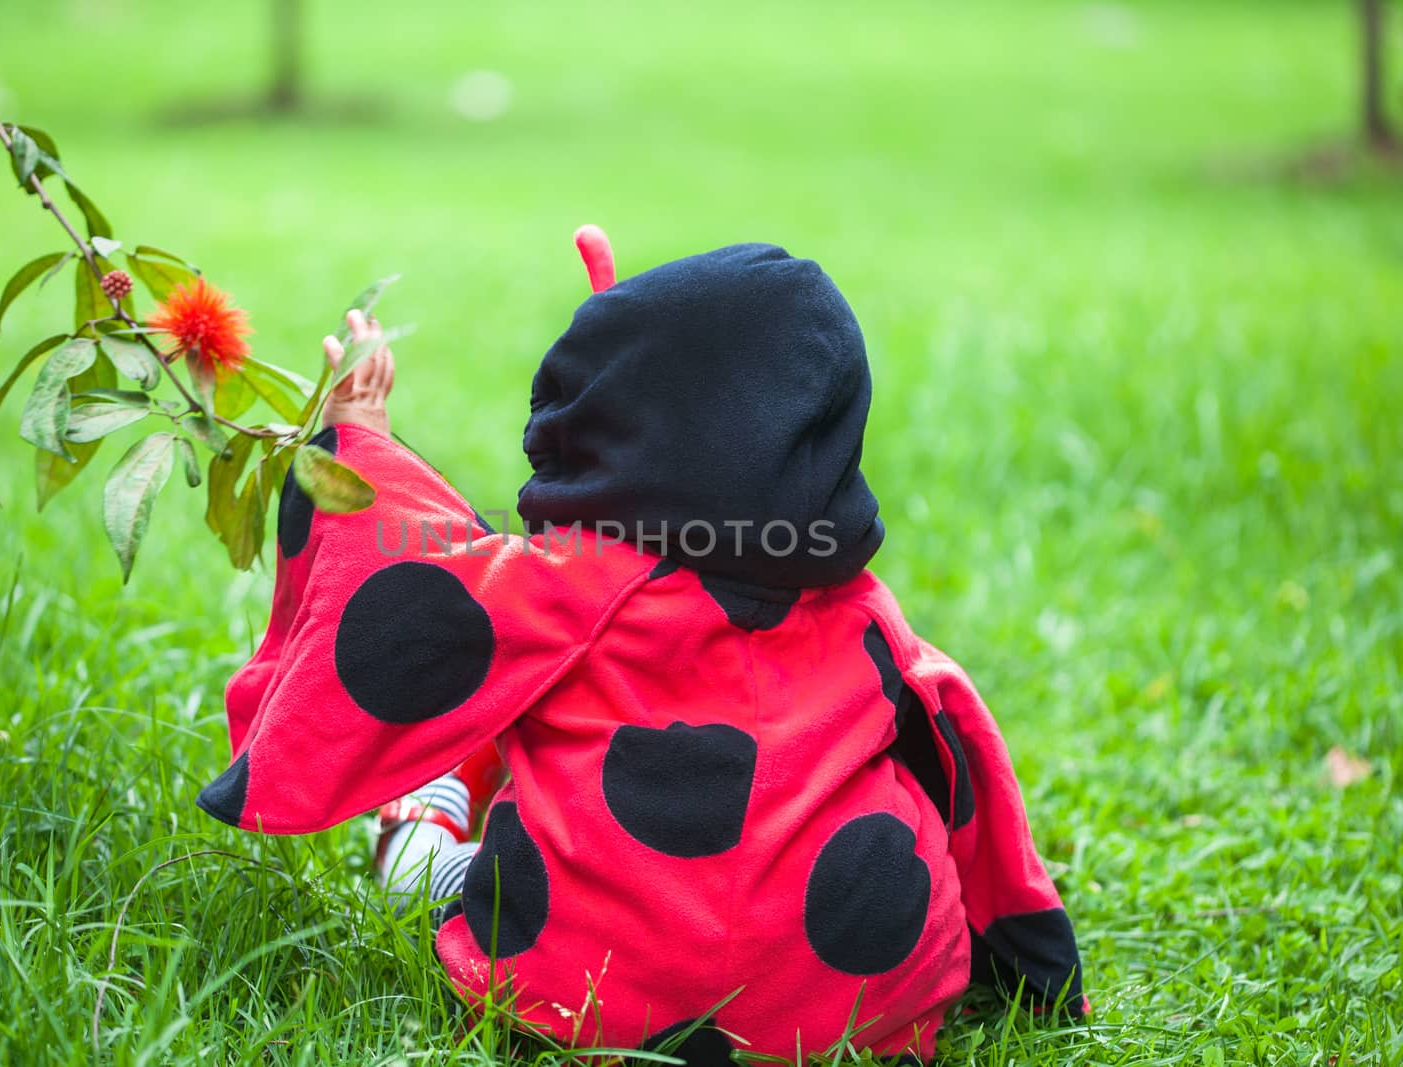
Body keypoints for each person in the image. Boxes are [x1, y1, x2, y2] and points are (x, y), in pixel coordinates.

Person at [197, 228, 1088, 1064]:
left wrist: (363, 437)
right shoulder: (862, 615)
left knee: (437, 847)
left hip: (578, 992)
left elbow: (412, 600)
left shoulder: (577, 581)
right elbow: (960, 750)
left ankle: (422, 815)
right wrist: (1033, 957)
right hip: (861, 1013)